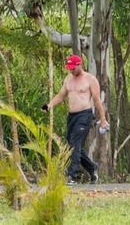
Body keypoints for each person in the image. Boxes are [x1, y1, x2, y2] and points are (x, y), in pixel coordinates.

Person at [42, 54, 108, 184]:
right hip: (71, 117)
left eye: (73, 68)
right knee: (72, 145)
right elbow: (60, 96)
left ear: (79, 64)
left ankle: (73, 176)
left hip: (85, 115)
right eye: (69, 68)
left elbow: (97, 100)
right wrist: (49, 105)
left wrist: (103, 119)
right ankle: (92, 167)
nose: (71, 70)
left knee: (75, 143)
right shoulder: (68, 79)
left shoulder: (90, 79)